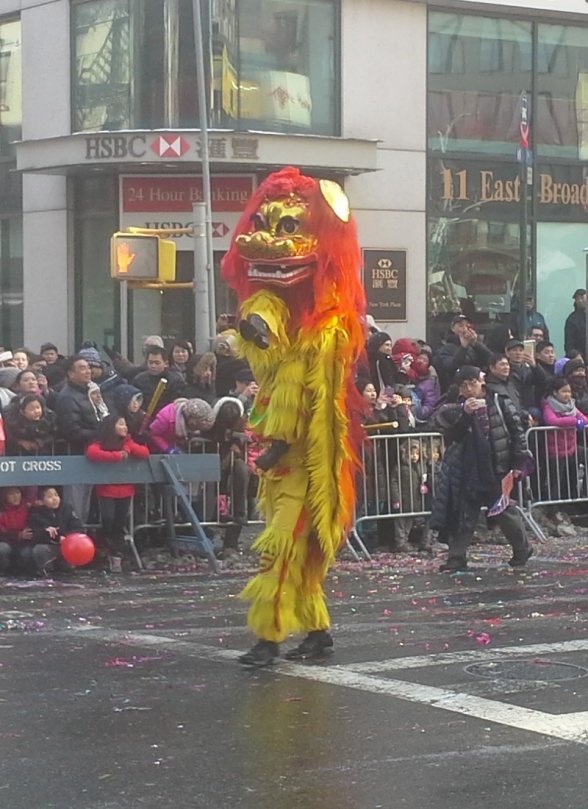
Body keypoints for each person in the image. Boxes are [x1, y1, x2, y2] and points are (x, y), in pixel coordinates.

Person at [430, 365, 533, 573]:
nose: (469, 389)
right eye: (464, 385)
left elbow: (517, 433)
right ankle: (456, 556)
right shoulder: (455, 406)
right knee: (463, 514)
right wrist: (466, 413)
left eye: (473, 383)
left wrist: (517, 464)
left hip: (496, 466)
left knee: (504, 510)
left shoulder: (499, 401)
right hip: (467, 468)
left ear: (481, 382)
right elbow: (451, 434)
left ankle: (522, 548)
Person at [86, 415, 149, 572]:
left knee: (120, 522)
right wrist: (115, 456)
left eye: (125, 424)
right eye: (121, 424)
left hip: (125, 490)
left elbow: (144, 452)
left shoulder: (127, 442)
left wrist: (127, 449)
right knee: (108, 519)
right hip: (107, 490)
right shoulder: (101, 443)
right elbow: (92, 452)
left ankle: (116, 555)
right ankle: (107, 547)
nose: (125, 427)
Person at [54, 355, 100, 522]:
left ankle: (84, 537)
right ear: (70, 374)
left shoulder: (91, 392)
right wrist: (98, 434)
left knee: (86, 501)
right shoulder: (68, 396)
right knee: (75, 503)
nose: (87, 371)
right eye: (82, 368)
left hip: (90, 454)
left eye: (88, 367)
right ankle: (73, 537)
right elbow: (71, 430)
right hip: (75, 455)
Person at [541, 376, 588, 501]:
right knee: (556, 481)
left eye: (569, 391)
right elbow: (551, 420)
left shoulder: (572, 405)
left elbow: (583, 418)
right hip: (556, 450)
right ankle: (553, 508)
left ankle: (583, 495)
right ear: (555, 392)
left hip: (571, 447)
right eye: (564, 391)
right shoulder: (549, 405)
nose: (567, 395)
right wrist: (573, 421)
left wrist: (580, 421)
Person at [28, 486, 85, 575]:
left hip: (68, 545)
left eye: (56, 495)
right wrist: (46, 531)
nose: (54, 499)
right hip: (50, 546)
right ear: (42, 501)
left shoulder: (67, 508)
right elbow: (34, 534)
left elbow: (78, 528)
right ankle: (46, 571)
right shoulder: (36, 513)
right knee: (40, 549)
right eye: (50, 497)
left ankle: (69, 568)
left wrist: (66, 537)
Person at [432, 315, 492, 392]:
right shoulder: (446, 348)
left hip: (477, 388)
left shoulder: (475, 347)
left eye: (467, 326)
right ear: (453, 328)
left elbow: (490, 359)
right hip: (457, 390)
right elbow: (450, 366)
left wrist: (476, 343)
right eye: (461, 326)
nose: (465, 329)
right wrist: (463, 347)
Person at [147, 397, 215, 453]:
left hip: (174, 446)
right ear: (192, 423)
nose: (197, 431)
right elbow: (153, 434)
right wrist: (167, 448)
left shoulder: (187, 420)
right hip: (155, 450)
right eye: (197, 428)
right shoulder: (165, 418)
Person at [133, 346, 185, 416]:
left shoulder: (175, 380)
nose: (153, 366)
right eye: (150, 362)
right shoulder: (139, 379)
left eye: (157, 363)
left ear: (166, 363)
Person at [504, 337, 547, 422]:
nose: (518, 353)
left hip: (529, 405)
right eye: (514, 350)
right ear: (508, 353)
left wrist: (535, 366)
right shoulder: (506, 369)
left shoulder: (528, 368)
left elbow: (542, 381)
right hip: (514, 405)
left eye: (520, 350)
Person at [0, 487, 33, 575]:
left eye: (17, 493)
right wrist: (18, 535)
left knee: (27, 552)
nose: (16, 496)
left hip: (24, 542)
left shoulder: (28, 508)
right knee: (2, 549)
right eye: (11, 494)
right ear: (4, 496)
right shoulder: (1, 511)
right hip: (5, 541)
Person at [564, 289, 587, 356]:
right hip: (580, 357)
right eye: (577, 299)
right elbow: (569, 345)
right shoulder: (572, 319)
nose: (580, 301)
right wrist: (576, 356)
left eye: (582, 298)